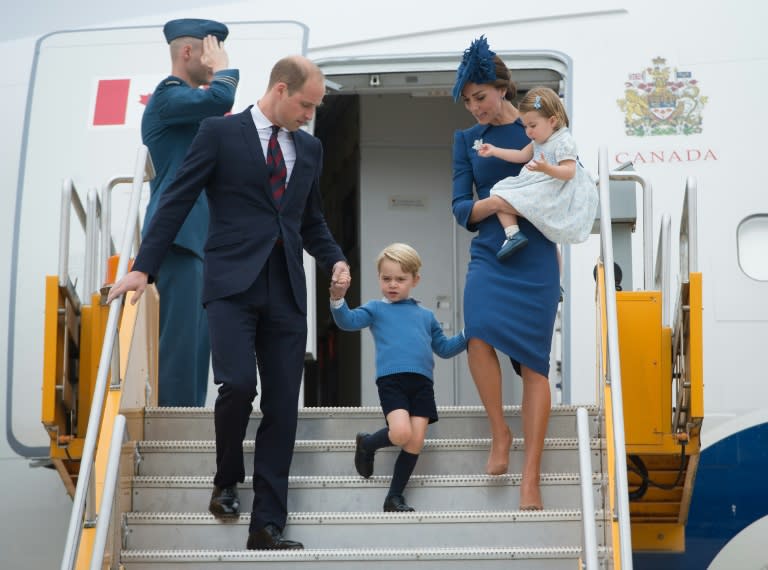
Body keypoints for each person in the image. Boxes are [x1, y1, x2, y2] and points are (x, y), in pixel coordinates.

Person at [107, 55, 351, 550]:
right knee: (237, 385)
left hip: (285, 290)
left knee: (284, 406)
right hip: (230, 285)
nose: (310, 114)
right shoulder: (220, 134)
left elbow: (310, 220)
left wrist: (336, 260)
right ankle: (225, 479)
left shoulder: (310, 148)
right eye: (306, 104)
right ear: (281, 90)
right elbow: (176, 197)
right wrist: (142, 266)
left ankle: (266, 524)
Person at [451, 36, 559, 510]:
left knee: (534, 365)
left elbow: (565, 191)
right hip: (491, 252)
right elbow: (460, 207)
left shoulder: (540, 134)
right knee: (477, 333)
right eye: (468, 101)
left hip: (534, 255)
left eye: (480, 97)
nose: (474, 108)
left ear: (502, 89)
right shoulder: (464, 142)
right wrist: (495, 203)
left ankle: (530, 478)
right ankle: (500, 432)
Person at [142, 18, 239, 406]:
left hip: (197, 240)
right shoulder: (168, 97)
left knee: (199, 346)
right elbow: (220, 99)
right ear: (187, 53)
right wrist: (224, 69)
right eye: (210, 48)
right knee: (180, 346)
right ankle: (173, 428)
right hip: (178, 237)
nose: (216, 57)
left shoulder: (188, 108)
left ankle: (189, 420)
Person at [328, 243, 467, 512]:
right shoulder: (375, 310)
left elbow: (445, 349)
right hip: (392, 381)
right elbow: (347, 321)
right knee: (402, 432)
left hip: (422, 384)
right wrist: (337, 298)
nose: (392, 284)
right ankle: (367, 444)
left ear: (415, 280)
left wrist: (468, 335)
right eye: (386, 278)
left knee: (415, 441)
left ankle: (394, 497)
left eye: (400, 279)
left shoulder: (426, 316)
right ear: (379, 277)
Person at [476, 86, 597, 260]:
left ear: (552, 121)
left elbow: (569, 172)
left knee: (503, 197)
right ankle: (513, 234)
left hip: (555, 189)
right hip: (539, 183)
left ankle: (515, 235)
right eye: (525, 126)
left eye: (532, 125)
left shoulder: (564, 141)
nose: (528, 131)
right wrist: (495, 151)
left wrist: (547, 168)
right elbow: (520, 156)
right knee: (499, 190)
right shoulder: (538, 142)